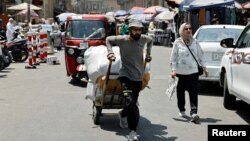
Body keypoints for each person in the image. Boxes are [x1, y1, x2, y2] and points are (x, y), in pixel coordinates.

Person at [106, 19, 153, 141]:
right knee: (131, 102)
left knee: (131, 103)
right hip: (125, 75)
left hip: (138, 77)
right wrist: (110, 52)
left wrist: (148, 53)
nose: (137, 32)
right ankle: (133, 131)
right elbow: (108, 40)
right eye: (135, 30)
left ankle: (123, 114)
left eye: (139, 30)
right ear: (130, 30)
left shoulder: (143, 39)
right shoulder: (122, 40)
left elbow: (151, 41)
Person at [169, 23, 208, 122]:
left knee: (193, 92)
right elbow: (173, 57)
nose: (189, 30)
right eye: (186, 29)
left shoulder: (195, 42)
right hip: (180, 72)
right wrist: (173, 70)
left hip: (193, 72)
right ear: (182, 30)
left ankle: (194, 112)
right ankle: (182, 109)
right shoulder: (177, 42)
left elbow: (201, 55)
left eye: (190, 28)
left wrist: (204, 67)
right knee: (180, 92)